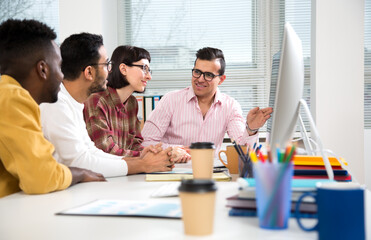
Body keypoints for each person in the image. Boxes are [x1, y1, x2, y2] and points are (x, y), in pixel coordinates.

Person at [40, 33, 174, 178]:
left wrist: (140, 159)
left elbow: (91, 151)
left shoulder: (74, 102)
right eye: (106, 65)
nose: (110, 70)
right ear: (89, 72)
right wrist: (142, 164)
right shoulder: (56, 104)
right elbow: (78, 162)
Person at [0, 19, 105, 198]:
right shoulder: (12, 97)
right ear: (43, 69)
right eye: (59, 66)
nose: (63, 75)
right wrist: (79, 173)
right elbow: (42, 176)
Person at [141, 47, 273, 161]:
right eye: (197, 72)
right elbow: (146, 142)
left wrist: (251, 129)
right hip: (170, 170)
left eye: (208, 75)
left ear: (221, 79)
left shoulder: (231, 106)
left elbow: (242, 149)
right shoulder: (170, 100)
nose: (200, 79)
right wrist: (175, 149)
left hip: (210, 173)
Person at [83, 45, 149, 157]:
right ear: (123, 69)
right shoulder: (97, 101)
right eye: (144, 68)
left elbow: (135, 144)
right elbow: (106, 150)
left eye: (149, 70)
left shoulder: (132, 103)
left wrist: (154, 152)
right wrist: (145, 155)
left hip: (124, 170)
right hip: (101, 171)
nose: (149, 76)